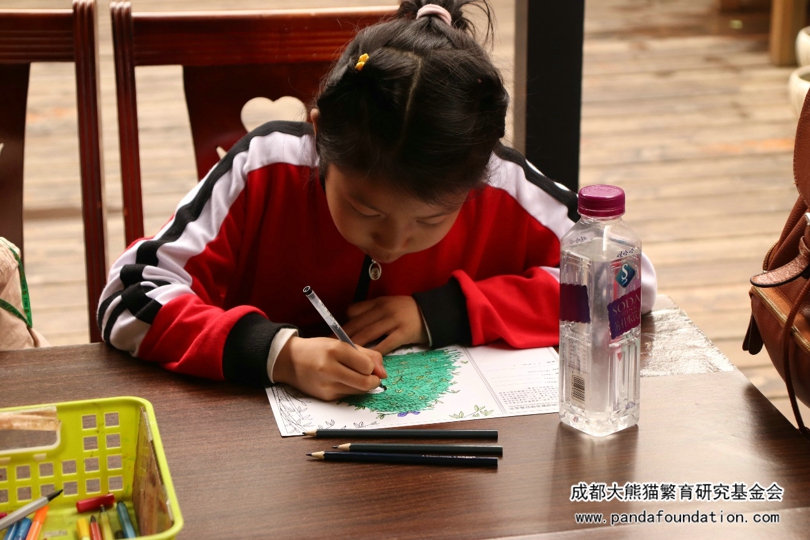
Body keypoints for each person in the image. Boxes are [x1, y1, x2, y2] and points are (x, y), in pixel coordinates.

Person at [98, 0, 656, 401]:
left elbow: (627, 283)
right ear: (320, 136)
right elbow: (128, 298)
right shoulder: (267, 168)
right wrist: (276, 353)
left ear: (479, 176)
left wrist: (444, 312)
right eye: (366, 210)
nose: (392, 242)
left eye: (432, 219)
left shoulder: (498, 183)